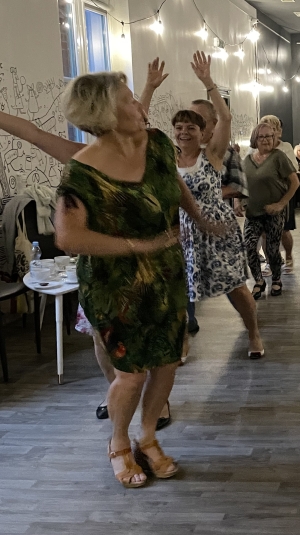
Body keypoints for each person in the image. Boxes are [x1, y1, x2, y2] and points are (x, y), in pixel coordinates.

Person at [54, 71, 210, 488]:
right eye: (129, 101)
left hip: (166, 273)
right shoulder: (82, 173)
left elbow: (172, 183)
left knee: (167, 359)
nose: (140, 105)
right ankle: (119, 442)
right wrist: (137, 246)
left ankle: (148, 436)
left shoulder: (156, 143)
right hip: (114, 285)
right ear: (105, 113)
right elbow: (68, 237)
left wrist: (199, 218)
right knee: (132, 373)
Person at [0, 58, 173, 429]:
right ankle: (117, 392)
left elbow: (136, 116)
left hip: (149, 267)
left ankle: (155, 403)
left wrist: (149, 88)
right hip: (104, 270)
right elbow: (30, 132)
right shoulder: (80, 157)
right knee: (102, 337)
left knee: (154, 340)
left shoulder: (145, 151)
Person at [174, 52, 265, 359]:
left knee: (234, 286)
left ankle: (253, 332)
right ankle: (182, 341)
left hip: (217, 229)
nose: (186, 130)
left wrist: (208, 82)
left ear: (205, 129)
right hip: (183, 230)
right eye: (182, 124)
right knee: (179, 291)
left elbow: (226, 118)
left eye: (194, 124)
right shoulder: (168, 157)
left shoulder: (212, 153)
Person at [244, 121, 299, 297]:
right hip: (252, 212)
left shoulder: (278, 157)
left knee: (272, 249)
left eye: (269, 136)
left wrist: (281, 204)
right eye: (262, 136)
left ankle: (276, 279)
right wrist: (238, 202)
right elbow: (241, 183)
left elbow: (295, 182)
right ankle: (259, 281)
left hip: (273, 213)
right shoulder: (248, 159)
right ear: (255, 139)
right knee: (249, 247)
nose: (266, 140)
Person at [259, 115, 297, 273]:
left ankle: (288, 256)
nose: (270, 133)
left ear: (278, 131)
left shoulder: (285, 147)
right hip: (262, 195)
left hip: (283, 195)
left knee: (283, 231)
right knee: (264, 232)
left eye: (273, 129)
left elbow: (293, 171)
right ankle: (270, 261)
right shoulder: (256, 148)